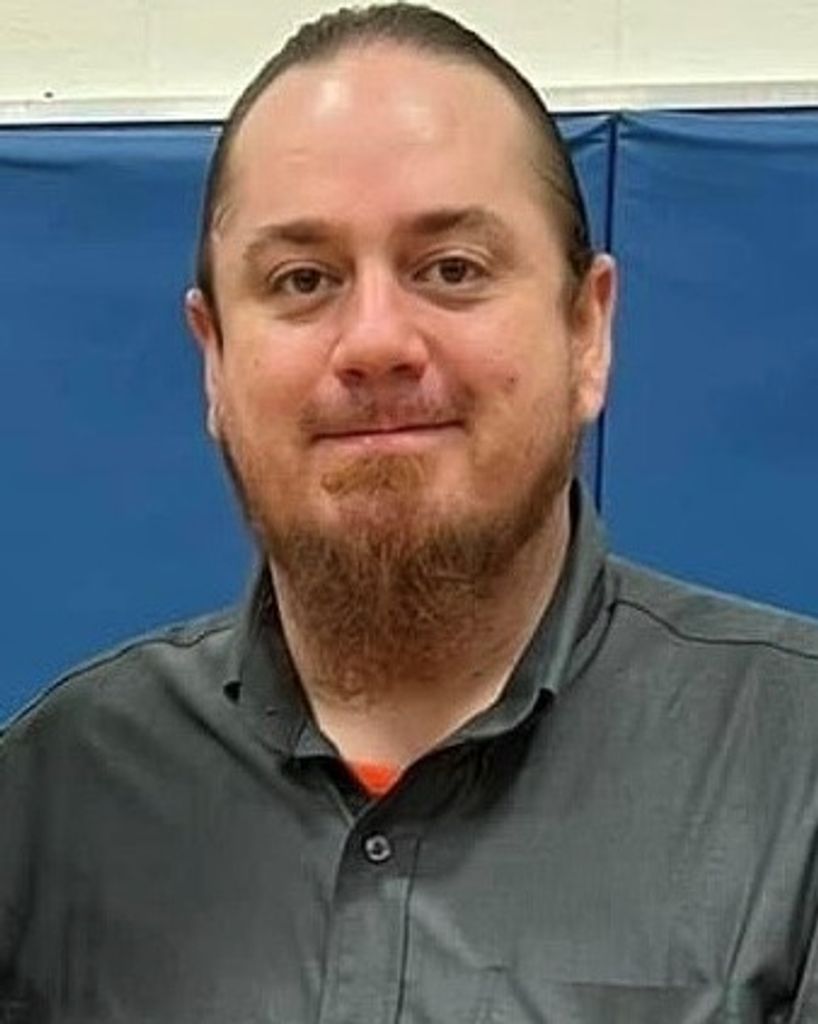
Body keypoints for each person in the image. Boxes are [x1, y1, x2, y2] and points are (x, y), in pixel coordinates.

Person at [3, 4, 818, 1021]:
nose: (377, 342)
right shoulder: (47, 803)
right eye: (303, 280)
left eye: (452, 270)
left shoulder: (794, 776)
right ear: (213, 359)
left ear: (587, 330)